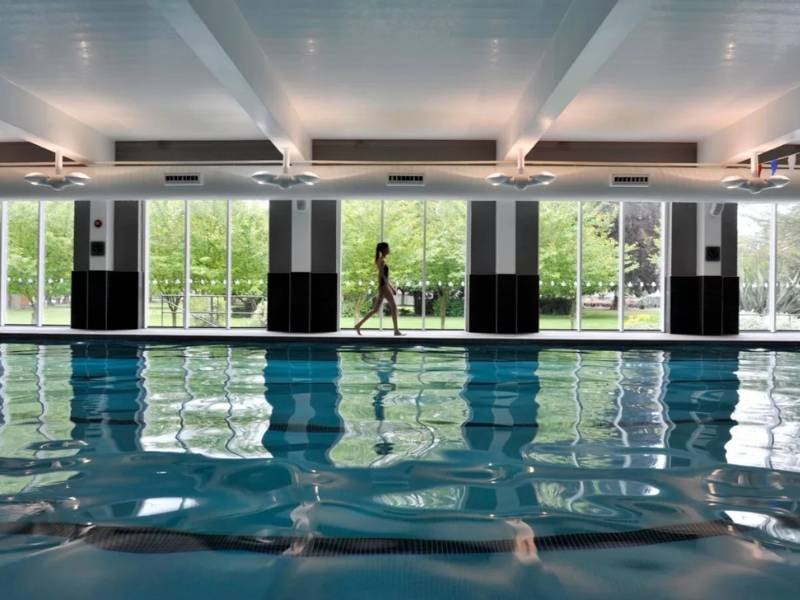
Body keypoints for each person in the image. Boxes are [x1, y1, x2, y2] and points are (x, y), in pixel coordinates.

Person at [354, 242, 403, 336]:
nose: (389, 249)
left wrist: (388, 287)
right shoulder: (381, 260)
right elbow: (381, 275)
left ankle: (358, 325)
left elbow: (384, 276)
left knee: (375, 310)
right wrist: (391, 288)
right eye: (388, 248)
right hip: (384, 286)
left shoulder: (380, 259)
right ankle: (396, 331)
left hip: (382, 286)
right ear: (384, 249)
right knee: (394, 307)